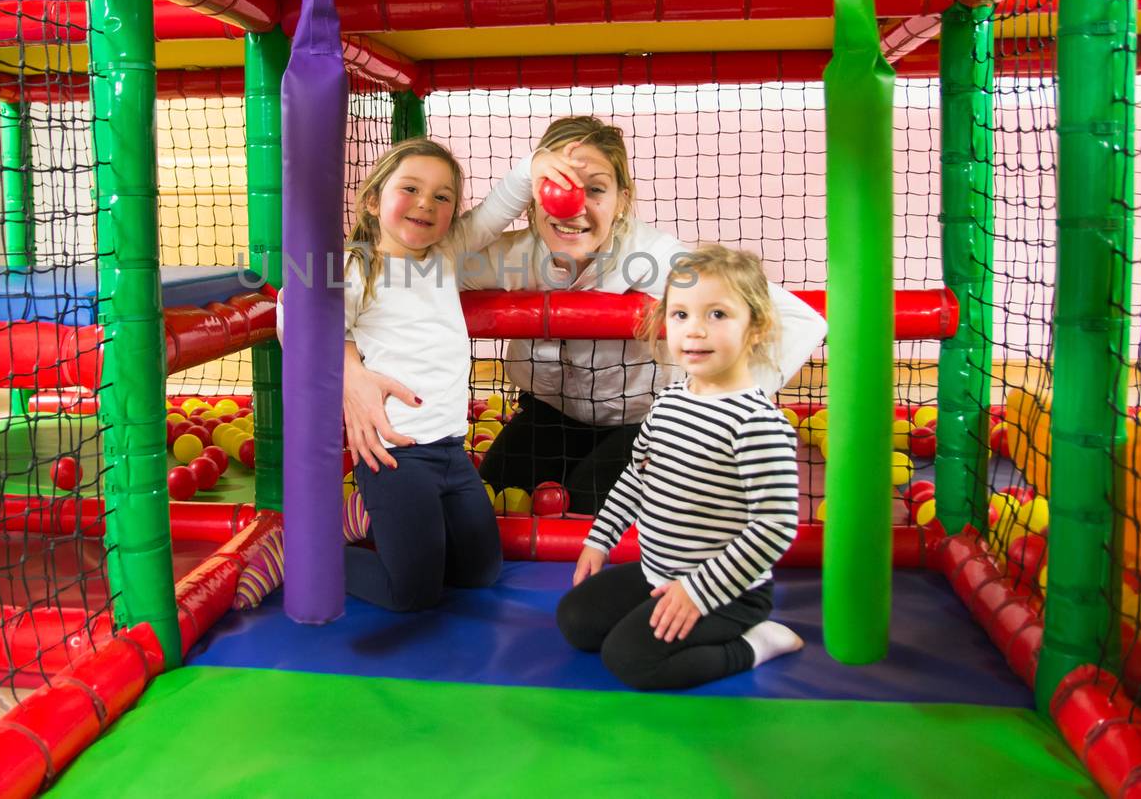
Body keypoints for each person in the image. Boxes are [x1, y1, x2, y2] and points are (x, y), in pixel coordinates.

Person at [461, 115, 826, 514]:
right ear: (534, 196)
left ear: (622, 199)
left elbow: (801, 319)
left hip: (642, 422)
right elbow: (435, 263)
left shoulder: (655, 258)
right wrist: (521, 174)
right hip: (551, 414)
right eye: (556, 187)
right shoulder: (513, 257)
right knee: (489, 500)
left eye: (596, 189)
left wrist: (711, 414)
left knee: (590, 505)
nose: (573, 207)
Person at [340, 136, 581, 611]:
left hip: (450, 452)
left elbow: (498, 208)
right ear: (373, 200)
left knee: (478, 572)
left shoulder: (446, 256)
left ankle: (377, 523)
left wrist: (537, 164)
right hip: (394, 455)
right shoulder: (357, 267)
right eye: (409, 188)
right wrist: (353, 372)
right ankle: (307, 552)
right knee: (412, 593)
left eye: (442, 196)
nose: (425, 203)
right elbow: (296, 318)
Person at [556, 245, 805, 690]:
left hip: (729, 592)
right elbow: (636, 477)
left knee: (630, 659)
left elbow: (775, 525)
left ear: (757, 327)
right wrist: (599, 540)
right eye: (681, 315)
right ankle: (678, 609)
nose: (695, 331)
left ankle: (755, 643)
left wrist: (698, 592)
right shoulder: (669, 402)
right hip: (659, 572)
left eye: (717, 315)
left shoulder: (757, 423)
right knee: (576, 621)